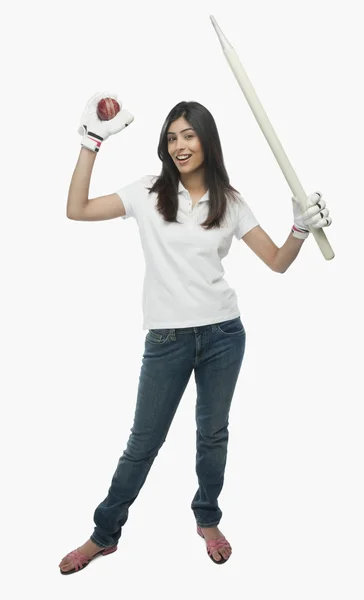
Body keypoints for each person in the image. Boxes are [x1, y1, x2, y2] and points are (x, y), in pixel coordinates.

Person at [59, 91, 332, 574]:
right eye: (171, 137)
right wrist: (91, 141)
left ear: (207, 141)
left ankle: (207, 519)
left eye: (188, 135)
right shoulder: (146, 192)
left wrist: (299, 229)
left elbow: (276, 263)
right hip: (167, 339)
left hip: (225, 334)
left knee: (213, 435)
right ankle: (104, 535)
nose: (179, 145)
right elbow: (76, 209)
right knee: (143, 443)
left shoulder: (231, 201)